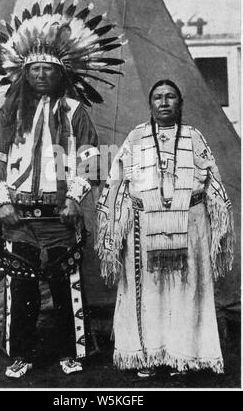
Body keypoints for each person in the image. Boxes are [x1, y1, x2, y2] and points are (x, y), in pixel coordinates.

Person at [0, 0, 125, 378]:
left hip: (60, 214)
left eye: (49, 69)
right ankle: (21, 354)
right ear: (25, 74)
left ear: (62, 74)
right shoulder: (10, 113)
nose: (42, 75)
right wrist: (2, 204)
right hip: (17, 214)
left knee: (67, 286)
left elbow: (93, 158)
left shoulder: (75, 111)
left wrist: (75, 199)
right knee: (21, 288)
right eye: (35, 70)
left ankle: (72, 351)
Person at [97, 79, 234, 377]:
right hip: (144, 228)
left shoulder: (195, 138)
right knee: (150, 293)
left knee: (187, 290)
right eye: (157, 97)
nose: (163, 102)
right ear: (150, 104)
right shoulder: (136, 138)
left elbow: (213, 182)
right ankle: (148, 356)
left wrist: (217, 224)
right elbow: (116, 182)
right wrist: (116, 223)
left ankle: (183, 356)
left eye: (170, 97)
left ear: (179, 104)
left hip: (190, 225)